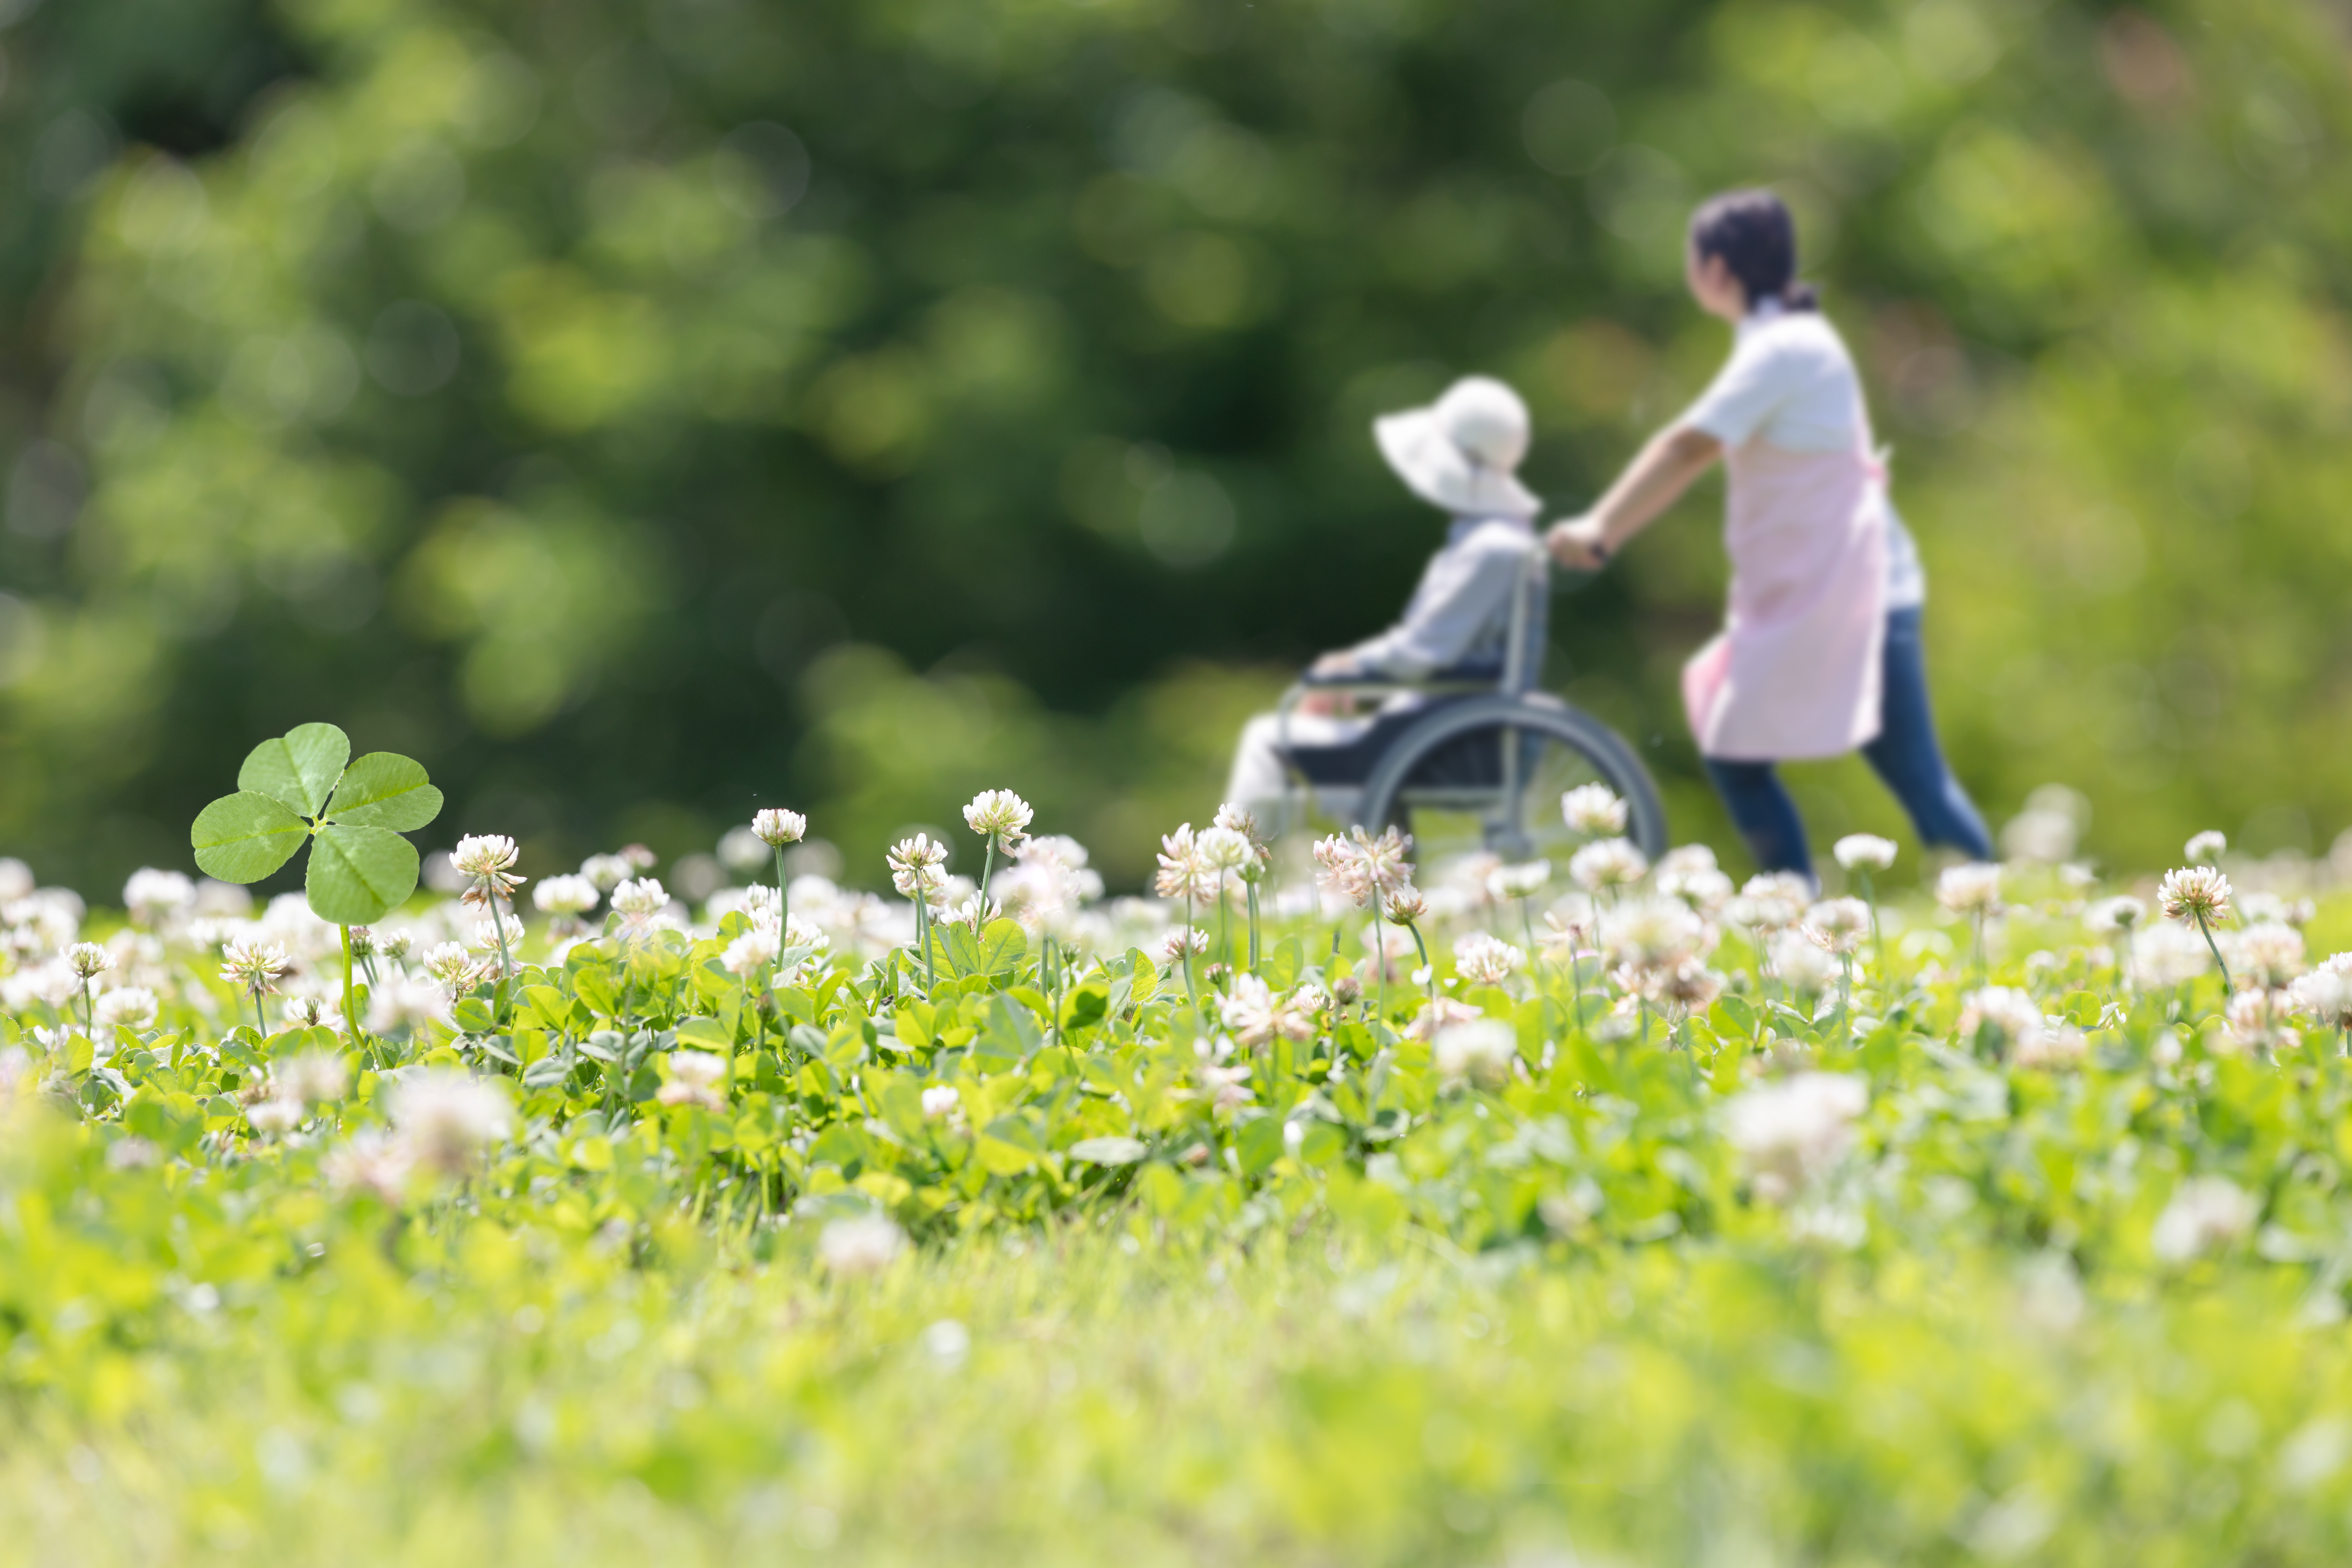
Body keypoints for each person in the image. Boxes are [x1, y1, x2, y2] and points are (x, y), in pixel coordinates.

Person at [1545, 188, 1992, 882]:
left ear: (1718, 269)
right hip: (1836, 591)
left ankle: (1959, 915)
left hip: (1855, 594)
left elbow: (1686, 448)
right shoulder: (1786, 342)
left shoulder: (1784, 350)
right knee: (1766, 753)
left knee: (1901, 776)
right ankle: (1804, 915)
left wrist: (1601, 526)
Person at [1225, 375, 1547, 828]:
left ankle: (1232, 874)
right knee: (1332, 731)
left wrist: (1345, 670)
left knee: (1265, 737)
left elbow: (1424, 651)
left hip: (1451, 737)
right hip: (1457, 726)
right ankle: (1374, 879)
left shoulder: (1490, 549)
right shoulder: (1502, 542)